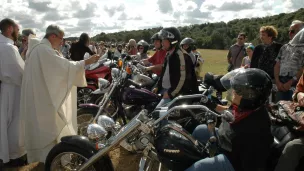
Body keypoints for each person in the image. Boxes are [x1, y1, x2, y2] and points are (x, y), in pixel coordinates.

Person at [20, 24, 101, 163]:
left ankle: (48, 156)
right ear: (52, 36)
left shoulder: (40, 48)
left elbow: (58, 68)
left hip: (40, 93)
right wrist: (86, 62)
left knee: (45, 126)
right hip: (43, 97)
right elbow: (63, 67)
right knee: (50, 125)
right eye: (61, 39)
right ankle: (50, 157)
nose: (62, 42)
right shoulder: (43, 50)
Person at [186, 68, 274, 171]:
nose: (234, 92)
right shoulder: (245, 107)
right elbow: (228, 111)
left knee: (198, 167)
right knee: (200, 130)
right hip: (227, 143)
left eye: (239, 90)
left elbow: (251, 163)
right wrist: (210, 104)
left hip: (235, 160)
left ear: (251, 96)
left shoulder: (257, 125)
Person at [0, 18, 26, 167]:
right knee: (14, 122)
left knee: (7, 121)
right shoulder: (8, 48)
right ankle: (13, 155)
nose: (18, 31)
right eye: (17, 28)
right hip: (14, 88)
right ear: (10, 29)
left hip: (8, 86)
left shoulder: (6, 46)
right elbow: (19, 72)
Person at [154, 27, 198, 107]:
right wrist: (157, 86)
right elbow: (164, 74)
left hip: (178, 94)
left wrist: (170, 93)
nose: (162, 42)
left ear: (172, 41)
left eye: (164, 40)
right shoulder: (168, 54)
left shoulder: (181, 56)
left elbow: (182, 79)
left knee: (158, 113)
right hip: (166, 90)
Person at [274, 27, 304, 102]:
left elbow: (302, 69)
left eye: (293, 31)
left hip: (296, 86)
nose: (290, 33)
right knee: (280, 108)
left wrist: (290, 82)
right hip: (281, 84)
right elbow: (277, 65)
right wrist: (277, 82)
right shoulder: (284, 47)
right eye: (289, 31)